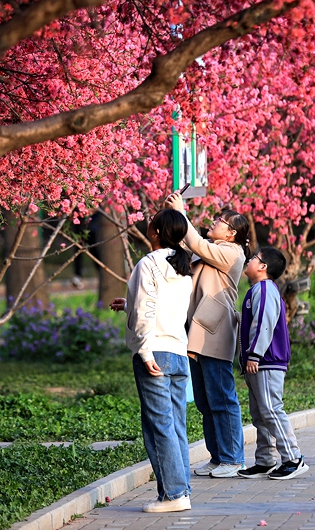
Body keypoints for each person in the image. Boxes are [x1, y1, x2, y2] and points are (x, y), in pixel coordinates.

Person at [109, 209, 194, 513]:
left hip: (154, 352)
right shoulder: (183, 267)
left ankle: (173, 495)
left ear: (157, 231)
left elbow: (147, 311)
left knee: (159, 427)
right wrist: (128, 303)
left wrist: (144, 351)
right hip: (177, 352)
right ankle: (181, 490)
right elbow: (162, 306)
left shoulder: (148, 263)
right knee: (176, 426)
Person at [164, 192, 247, 478]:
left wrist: (181, 211)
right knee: (204, 399)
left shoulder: (232, 253)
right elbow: (188, 242)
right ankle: (217, 456)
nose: (214, 222)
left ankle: (233, 459)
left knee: (222, 397)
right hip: (196, 330)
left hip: (215, 330)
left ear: (232, 233)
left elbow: (194, 241)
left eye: (220, 221)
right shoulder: (211, 247)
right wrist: (176, 218)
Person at [236, 247, 309, 480]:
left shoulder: (266, 289)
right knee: (260, 413)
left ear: (263, 267)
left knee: (271, 409)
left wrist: (255, 355)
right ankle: (265, 460)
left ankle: (293, 457)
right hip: (258, 362)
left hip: (266, 361)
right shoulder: (257, 290)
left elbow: (264, 324)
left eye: (253, 258)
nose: (248, 260)